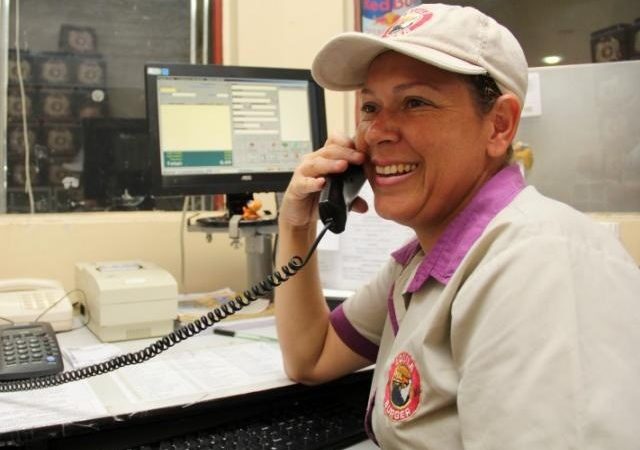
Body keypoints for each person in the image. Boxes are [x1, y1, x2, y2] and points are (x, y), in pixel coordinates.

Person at [274, 4, 640, 449]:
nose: (377, 132)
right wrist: (296, 223)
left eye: (415, 102)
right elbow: (310, 355)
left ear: (499, 126)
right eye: (371, 106)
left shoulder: (537, 266)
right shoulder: (426, 262)